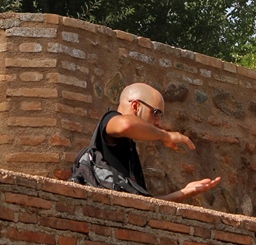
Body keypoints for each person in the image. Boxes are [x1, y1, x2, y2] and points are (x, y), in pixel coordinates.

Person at [73, 82, 221, 202]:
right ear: (136, 107)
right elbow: (126, 124)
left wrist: (184, 193)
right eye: (156, 113)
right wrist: (166, 136)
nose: (159, 123)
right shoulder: (110, 120)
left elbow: (143, 203)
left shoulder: (129, 148)